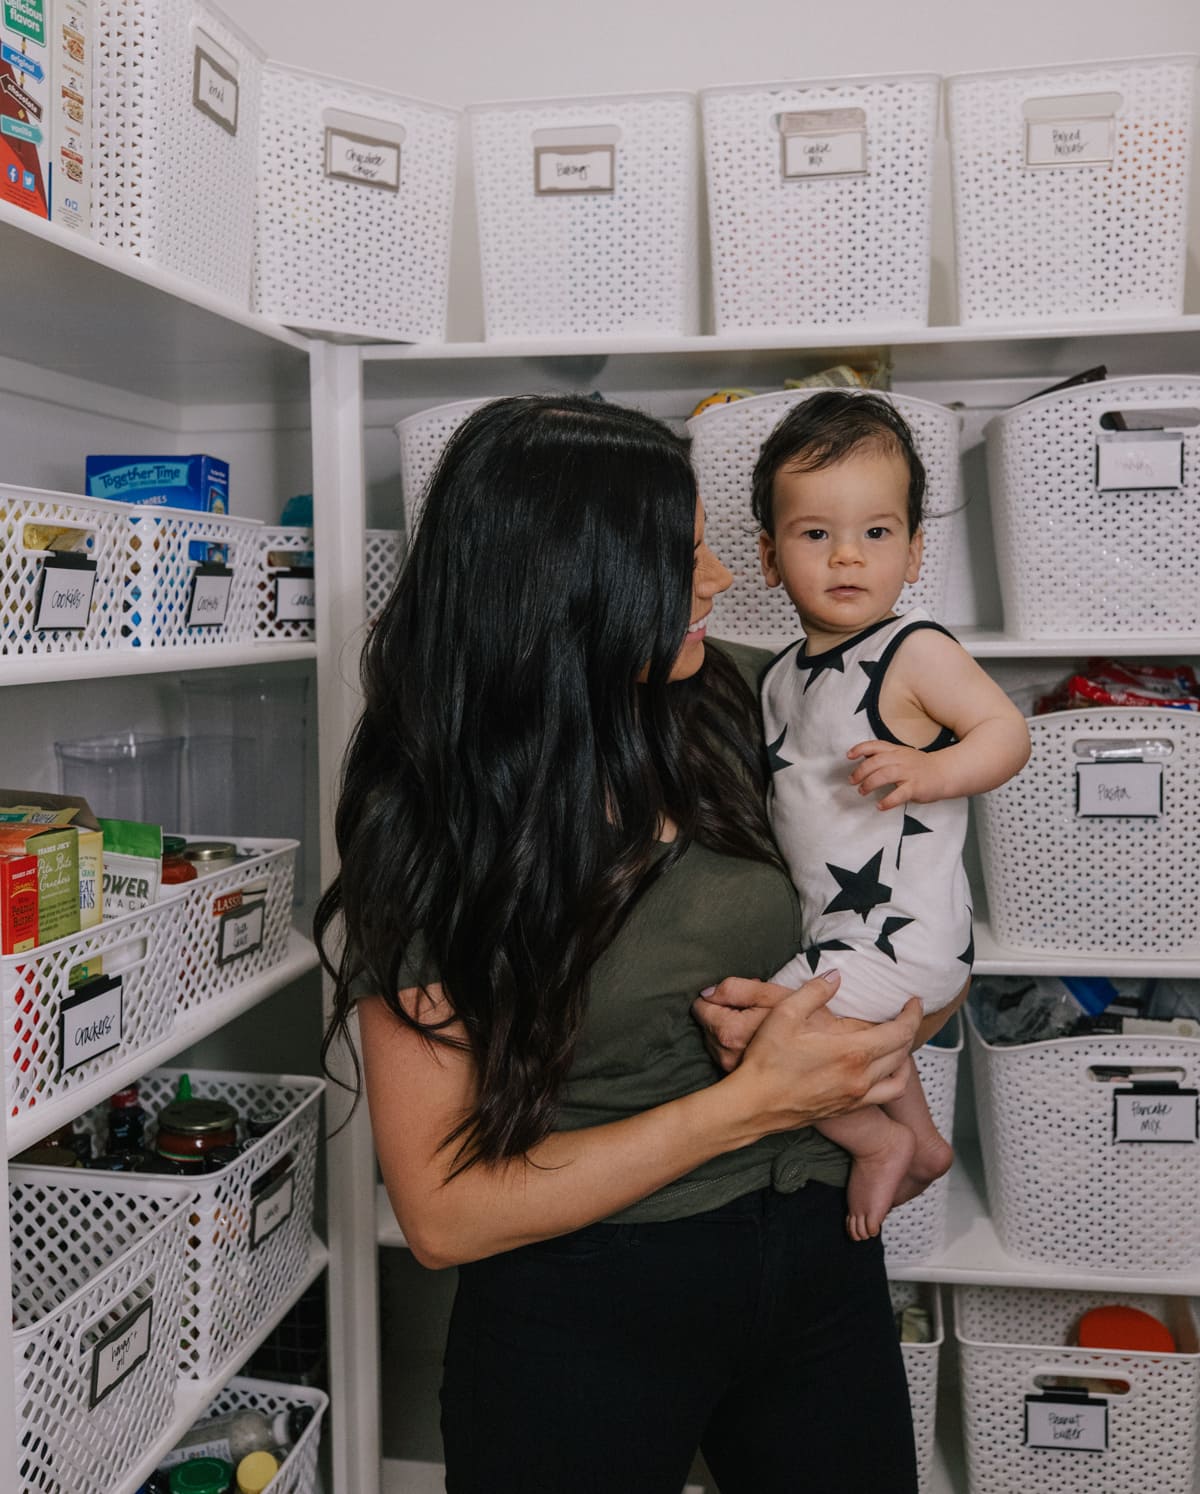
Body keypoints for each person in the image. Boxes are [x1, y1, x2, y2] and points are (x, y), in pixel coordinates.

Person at [318, 394, 946, 1494]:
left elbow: (910, 899)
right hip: (581, 1308)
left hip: (816, 1258)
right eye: (682, 553)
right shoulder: (430, 824)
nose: (717, 578)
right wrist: (753, 1099)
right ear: (565, 583)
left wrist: (885, 1036)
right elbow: (445, 1212)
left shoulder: (748, 697)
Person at [703, 391, 1030, 1243]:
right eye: (816, 534)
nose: (847, 556)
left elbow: (1006, 734)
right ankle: (920, 1141)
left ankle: (880, 1141)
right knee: (844, 1029)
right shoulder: (780, 678)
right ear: (770, 558)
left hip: (905, 934)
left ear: (916, 551)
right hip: (841, 931)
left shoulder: (913, 651)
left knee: (751, 1038)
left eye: (877, 533)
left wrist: (933, 768)